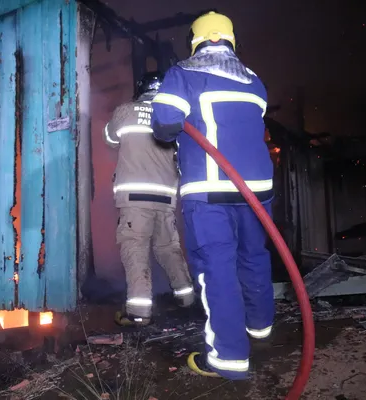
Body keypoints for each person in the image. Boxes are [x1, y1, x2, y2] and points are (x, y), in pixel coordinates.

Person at [150, 11, 275, 380]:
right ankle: (261, 327)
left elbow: (163, 123)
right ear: (231, 41)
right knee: (254, 257)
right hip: (258, 192)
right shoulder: (254, 81)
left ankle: (228, 358)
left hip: (210, 191)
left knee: (216, 269)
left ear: (196, 41)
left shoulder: (182, 74)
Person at [104, 71, 195, 327]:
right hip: (166, 199)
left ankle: (139, 313)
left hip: (135, 200)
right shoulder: (174, 117)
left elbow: (110, 139)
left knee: (135, 250)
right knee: (169, 249)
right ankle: (187, 299)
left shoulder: (126, 111)